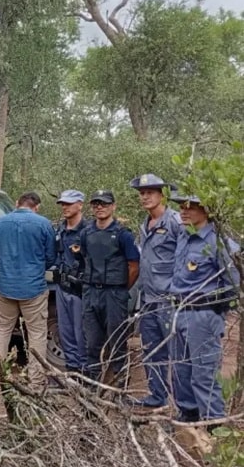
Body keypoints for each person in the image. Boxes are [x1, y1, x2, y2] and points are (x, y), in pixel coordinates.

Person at [168, 193, 239, 422]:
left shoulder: (220, 243)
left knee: (204, 375)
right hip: (179, 311)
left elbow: (233, 283)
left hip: (203, 315)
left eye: (191, 207)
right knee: (181, 372)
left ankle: (213, 425)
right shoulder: (184, 236)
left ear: (206, 210)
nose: (184, 211)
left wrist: (214, 312)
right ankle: (188, 420)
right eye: (181, 206)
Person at [0, 192, 56, 388]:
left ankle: (0, 370)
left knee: (2, 328)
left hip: (5, 285)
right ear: (37, 206)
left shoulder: (0, 223)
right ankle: (35, 377)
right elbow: (51, 256)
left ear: (17, 203)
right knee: (36, 332)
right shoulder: (44, 224)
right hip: (33, 287)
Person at [130, 174, 181, 409]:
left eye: (150, 192)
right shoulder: (145, 223)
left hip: (169, 301)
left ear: (162, 195)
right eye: (142, 193)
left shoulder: (175, 222)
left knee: (178, 354)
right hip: (148, 300)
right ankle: (157, 397)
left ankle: (183, 406)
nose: (145, 196)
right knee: (151, 351)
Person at [80, 190, 140, 383]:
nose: (100, 207)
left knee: (118, 341)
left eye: (104, 204)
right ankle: (92, 385)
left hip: (114, 294)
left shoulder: (123, 234)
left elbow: (133, 266)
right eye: (96, 204)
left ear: (113, 206)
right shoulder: (86, 232)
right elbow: (84, 258)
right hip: (91, 293)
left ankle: (120, 383)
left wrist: (120, 287)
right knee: (92, 342)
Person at [54, 190, 89, 373]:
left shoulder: (87, 231)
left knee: (81, 332)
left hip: (80, 289)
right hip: (62, 286)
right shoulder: (61, 229)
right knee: (65, 332)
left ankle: (84, 372)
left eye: (69, 204)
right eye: (63, 204)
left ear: (80, 205)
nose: (65, 207)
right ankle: (71, 370)